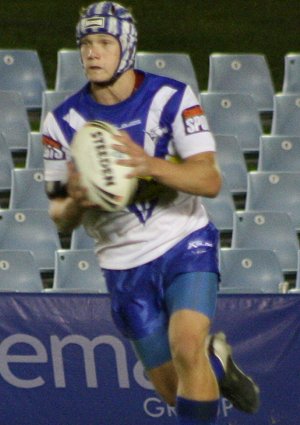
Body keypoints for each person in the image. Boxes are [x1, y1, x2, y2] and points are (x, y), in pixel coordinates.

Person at [42, 2, 260, 424]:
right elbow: (58, 215)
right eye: (86, 44)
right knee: (176, 391)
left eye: (104, 42)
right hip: (123, 264)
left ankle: (202, 355)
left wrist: (149, 165)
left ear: (127, 48)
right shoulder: (61, 123)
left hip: (184, 242)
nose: (92, 53)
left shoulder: (170, 97)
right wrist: (77, 200)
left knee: (184, 346)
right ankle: (217, 363)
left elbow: (210, 180)